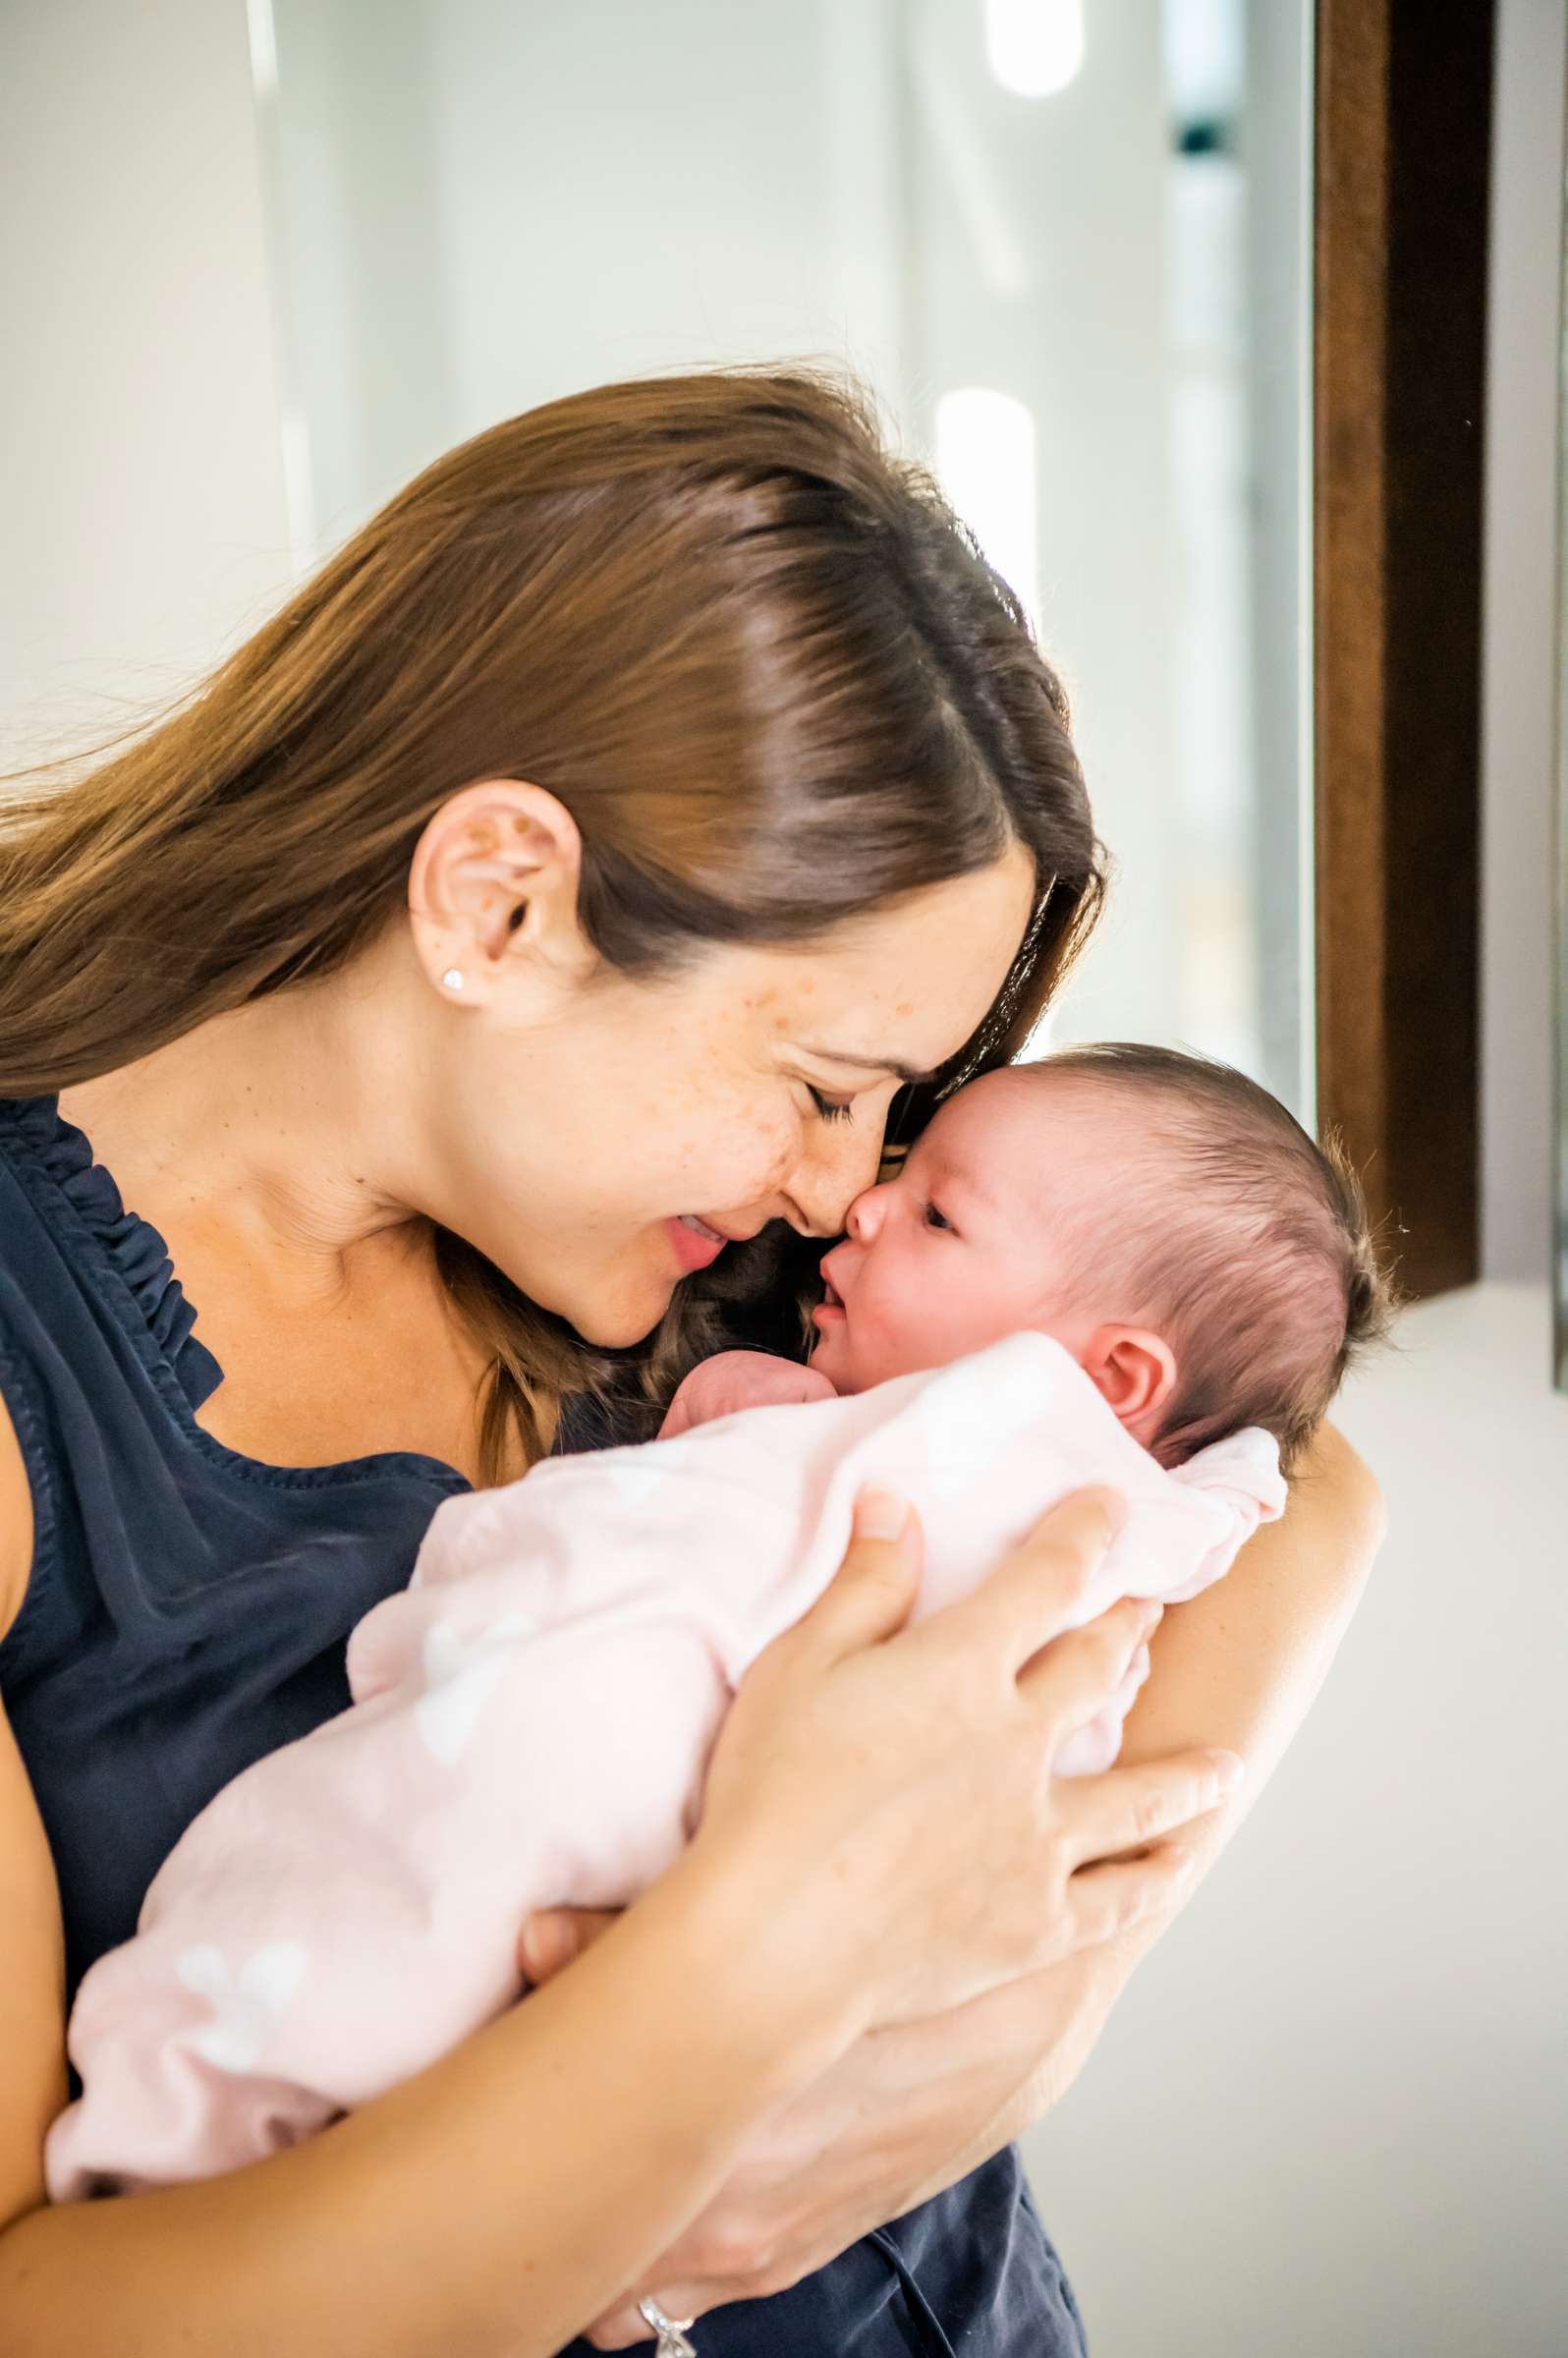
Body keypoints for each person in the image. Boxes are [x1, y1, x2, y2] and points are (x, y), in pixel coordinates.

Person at [0, 371, 1383, 2356]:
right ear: (500, 901)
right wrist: (774, 1968)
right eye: (828, 1088)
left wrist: (1043, 1988)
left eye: (902, 1114)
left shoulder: (738, 1268)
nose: (846, 1191)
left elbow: (1292, 1462)